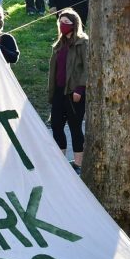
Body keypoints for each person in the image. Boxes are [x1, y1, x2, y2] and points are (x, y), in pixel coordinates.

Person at [48, 9, 88, 172]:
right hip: (58, 91)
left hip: (74, 93)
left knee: (75, 127)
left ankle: (78, 163)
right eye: (60, 22)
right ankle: (61, 161)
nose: (63, 25)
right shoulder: (58, 45)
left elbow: (88, 67)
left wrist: (80, 89)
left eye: (66, 22)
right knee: (56, 125)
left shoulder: (82, 43)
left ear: (74, 24)